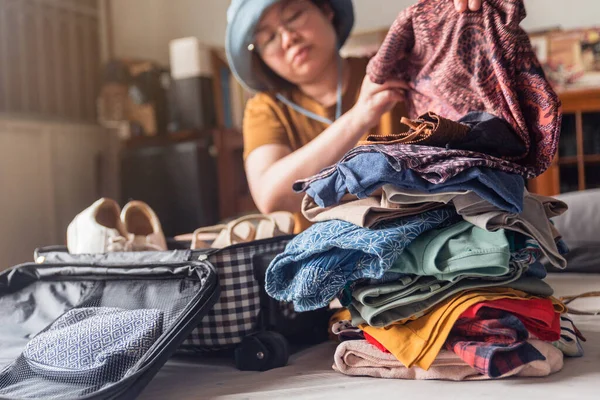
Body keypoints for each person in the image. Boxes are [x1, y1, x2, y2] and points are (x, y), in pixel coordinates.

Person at [225, 0, 483, 232]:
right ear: (260, 58)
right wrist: (360, 116)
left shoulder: (392, 69)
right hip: (330, 251)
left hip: (428, 230)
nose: (287, 38)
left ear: (326, 11)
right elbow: (272, 197)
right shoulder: (265, 108)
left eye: (293, 16)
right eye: (268, 38)